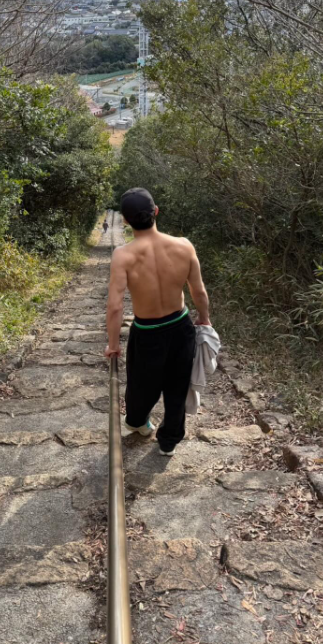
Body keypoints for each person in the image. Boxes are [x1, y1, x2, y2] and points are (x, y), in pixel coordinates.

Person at [104, 188, 211, 456]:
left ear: (126, 221)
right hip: (181, 327)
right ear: (156, 211)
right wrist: (204, 318)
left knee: (141, 385)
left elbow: (115, 306)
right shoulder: (184, 245)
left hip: (147, 331)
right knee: (177, 387)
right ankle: (169, 441)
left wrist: (113, 344)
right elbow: (198, 291)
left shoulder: (123, 255)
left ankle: (138, 421)